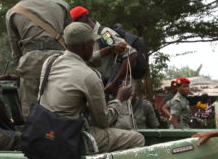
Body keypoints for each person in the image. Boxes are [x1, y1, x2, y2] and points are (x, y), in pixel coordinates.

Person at [38, 23, 145, 152]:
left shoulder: (50, 62)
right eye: (91, 44)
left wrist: (109, 49)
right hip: (72, 137)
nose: (93, 47)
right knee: (137, 139)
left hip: (45, 132)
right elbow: (103, 122)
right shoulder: (90, 76)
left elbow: (78, 58)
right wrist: (119, 99)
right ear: (86, 46)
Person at [6, 0, 72, 118]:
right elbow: (71, 37)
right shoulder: (61, 4)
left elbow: (15, 48)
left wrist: (20, 68)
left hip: (31, 62)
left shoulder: (13, 12)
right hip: (61, 60)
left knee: (31, 109)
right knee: (66, 104)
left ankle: (35, 138)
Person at [70, 6, 136, 95]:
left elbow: (131, 54)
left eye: (76, 24)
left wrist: (115, 83)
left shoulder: (104, 34)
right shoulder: (85, 38)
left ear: (84, 19)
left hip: (114, 87)